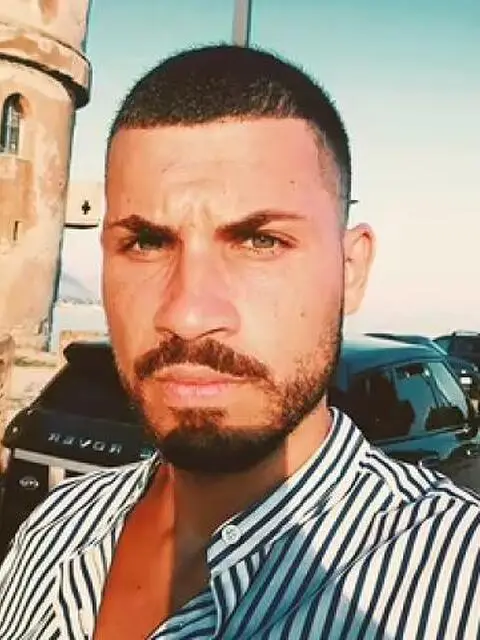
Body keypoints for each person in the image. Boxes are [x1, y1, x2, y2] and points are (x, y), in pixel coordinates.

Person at [0, 44, 478, 640]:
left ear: (351, 270)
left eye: (261, 241)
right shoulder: (53, 532)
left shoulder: (457, 579)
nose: (187, 314)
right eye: (147, 243)